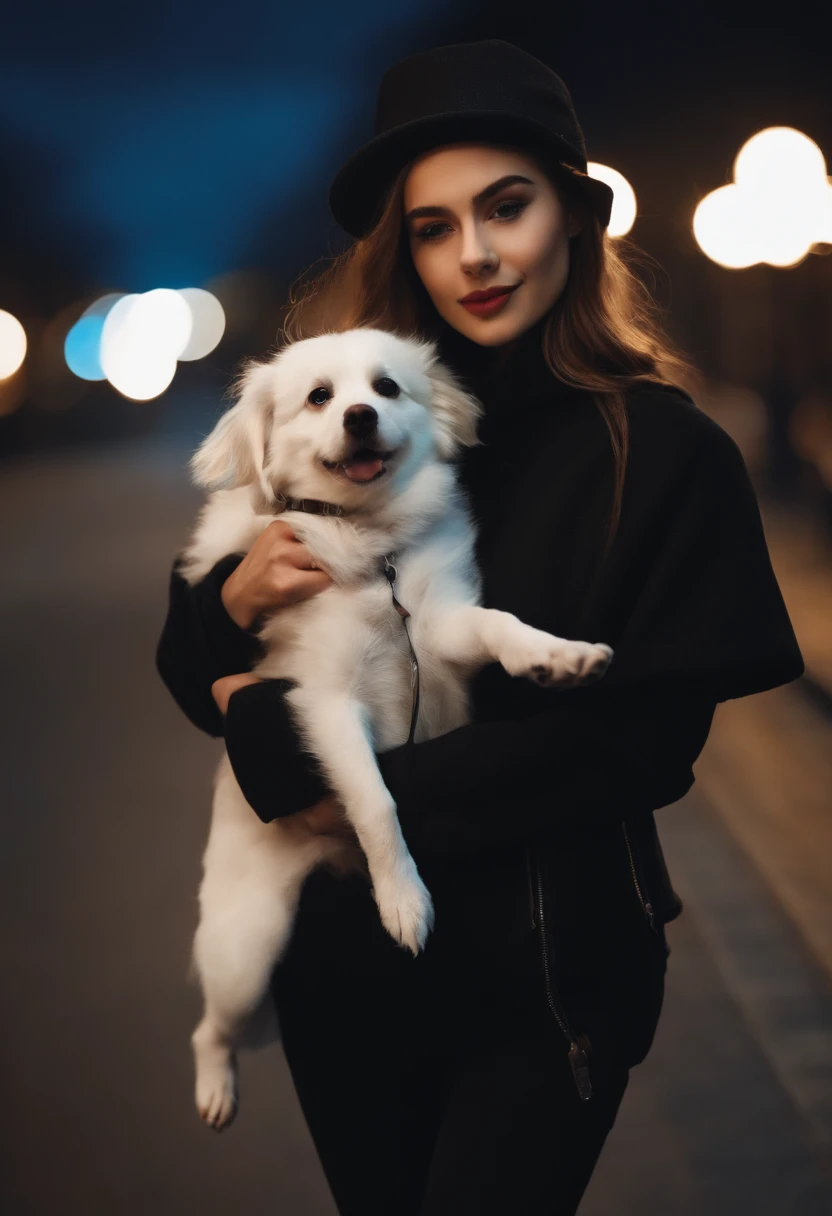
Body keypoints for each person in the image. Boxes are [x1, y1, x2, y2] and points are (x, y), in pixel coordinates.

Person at [156, 39, 805, 1215]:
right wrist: (228, 610)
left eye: (506, 206)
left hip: (548, 966)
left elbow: (636, 745)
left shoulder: (662, 452)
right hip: (345, 972)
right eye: (433, 226)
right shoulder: (349, 409)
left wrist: (313, 773)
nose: (477, 254)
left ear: (573, 211)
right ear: (400, 249)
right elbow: (195, 647)